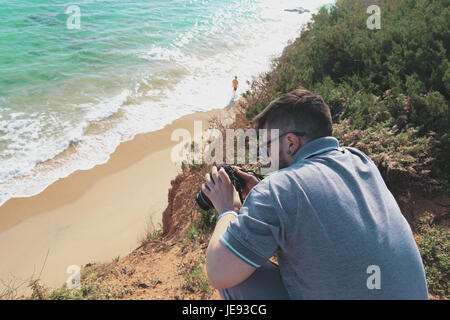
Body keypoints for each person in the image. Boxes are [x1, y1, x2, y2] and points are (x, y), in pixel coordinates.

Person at [201, 88, 429, 299]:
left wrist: (228, 210)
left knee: (234, 275)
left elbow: (219, 272)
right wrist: (264, 193)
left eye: (267, 145)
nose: (266, 156)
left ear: (290, 143)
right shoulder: (359, 160)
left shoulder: (278, 190)